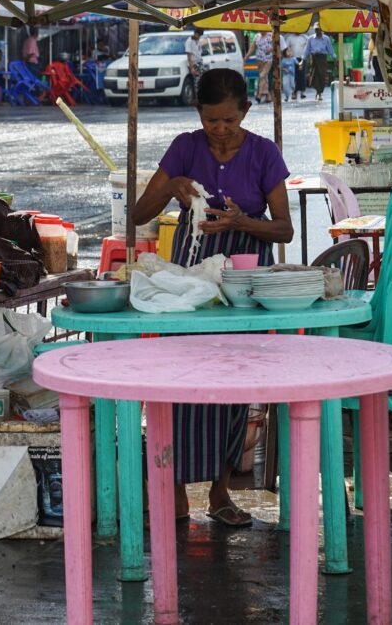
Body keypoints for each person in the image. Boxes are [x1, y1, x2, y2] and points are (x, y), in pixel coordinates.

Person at [132, 69, 294, 526]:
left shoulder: (263, 153)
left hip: (245, 275)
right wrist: (171, 186)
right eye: (210, 120)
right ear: (198, 115)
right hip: (192, 271)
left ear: (245, 111)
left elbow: (284, 228)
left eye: (228, 120)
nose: (219, 130)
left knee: (235, 379)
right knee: (185, 375)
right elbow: (139, 214)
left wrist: (240, 222)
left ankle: (221, 492)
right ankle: (178, 493)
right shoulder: (184, 147)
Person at [304, 24, 336, 101]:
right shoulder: (310, 38)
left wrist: (334, 58)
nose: (317, 31)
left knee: (322, 75)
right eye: (316, 29)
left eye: (318, 29)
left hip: (322, 58)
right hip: (313, 58)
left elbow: (330, 49)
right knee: (314, 76)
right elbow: (307, 50)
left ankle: (319, 93)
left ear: (322, 30)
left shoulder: (326, 39)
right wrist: (303, 60)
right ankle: (317, 91)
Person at [245, 31, 274, 104]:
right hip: (259, 59)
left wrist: (271, 49)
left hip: (268, 60)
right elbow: (253, 47)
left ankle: (259, 95)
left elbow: (277, 45)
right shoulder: (256, 36)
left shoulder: (271, 35)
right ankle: (268, 96)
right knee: (264, 78)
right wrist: (247, 56)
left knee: (262, 76)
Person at [285, 31, 309, 99]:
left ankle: (302, 92)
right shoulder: (290, 37)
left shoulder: (305, 38)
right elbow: (286, 48)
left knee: (302, 75)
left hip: (302, 58)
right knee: (293, 76)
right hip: (292, 58)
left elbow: (307, 49)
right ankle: (294, 92)